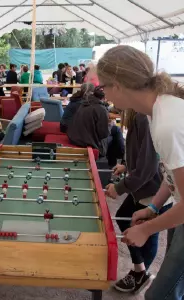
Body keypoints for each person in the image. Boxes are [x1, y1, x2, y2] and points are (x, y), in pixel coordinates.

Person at [97, 45, 184, 300]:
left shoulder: (167, 123)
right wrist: (154, 208)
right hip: (177, 208)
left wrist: (146, 229)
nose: (106, 96)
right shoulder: (156, 113)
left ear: (118, 85)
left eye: (104, 87)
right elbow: (172, 175)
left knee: (160, 295)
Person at [106, 108, 172, 294]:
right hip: (144, 187)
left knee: (148, 233)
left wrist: (119, 188)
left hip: (155, 188)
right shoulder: (137, 115)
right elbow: (140, 152)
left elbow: (147, 166)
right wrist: (126, 165)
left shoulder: (144, 117)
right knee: (124, 216)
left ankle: (140, 273)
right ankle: (140, 269)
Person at [67, 86, 109, 157]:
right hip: (86, 142)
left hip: (74, 138)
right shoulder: (101, 109)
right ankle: (114, 162)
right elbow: (103, 134)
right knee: (116, 131)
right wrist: (110, 126)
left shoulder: (84, 103)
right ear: (105, 98)